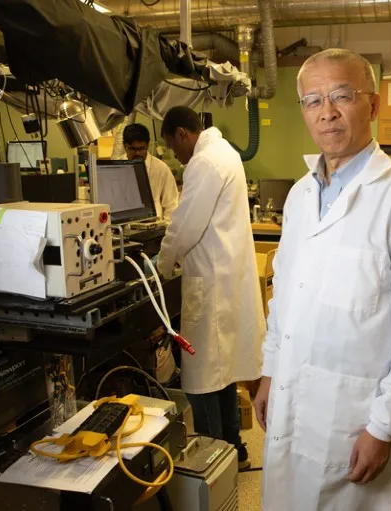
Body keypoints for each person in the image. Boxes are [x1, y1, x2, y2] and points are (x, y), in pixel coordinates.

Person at [253, 48, 391, 510]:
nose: (327, 112)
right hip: (291, 397)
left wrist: (385, 425)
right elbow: (284, 296)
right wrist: (269, 371)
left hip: (356, 420)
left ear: (374, 105)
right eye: (312, 100)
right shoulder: (301, 196)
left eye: (342, 96)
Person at [156, 106, 265, 469]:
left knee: (201, 378)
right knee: (222, 375)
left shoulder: (205, 163)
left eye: (173, 146)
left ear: (183, 134)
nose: (176, 155)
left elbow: (184, 225)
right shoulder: (225, 153)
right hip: (224, 279)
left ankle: (216, 459)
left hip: (213, 283)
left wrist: (161, 265)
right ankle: (236, 450)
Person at [123, 123, 179, 220]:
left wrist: (165, 232)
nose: (138, 153)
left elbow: (172, 207)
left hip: (155, 229)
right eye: (133, 149)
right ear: (125, 146)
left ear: (147, 146)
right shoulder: (117, 168)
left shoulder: (161, 169)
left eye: (141, 149)